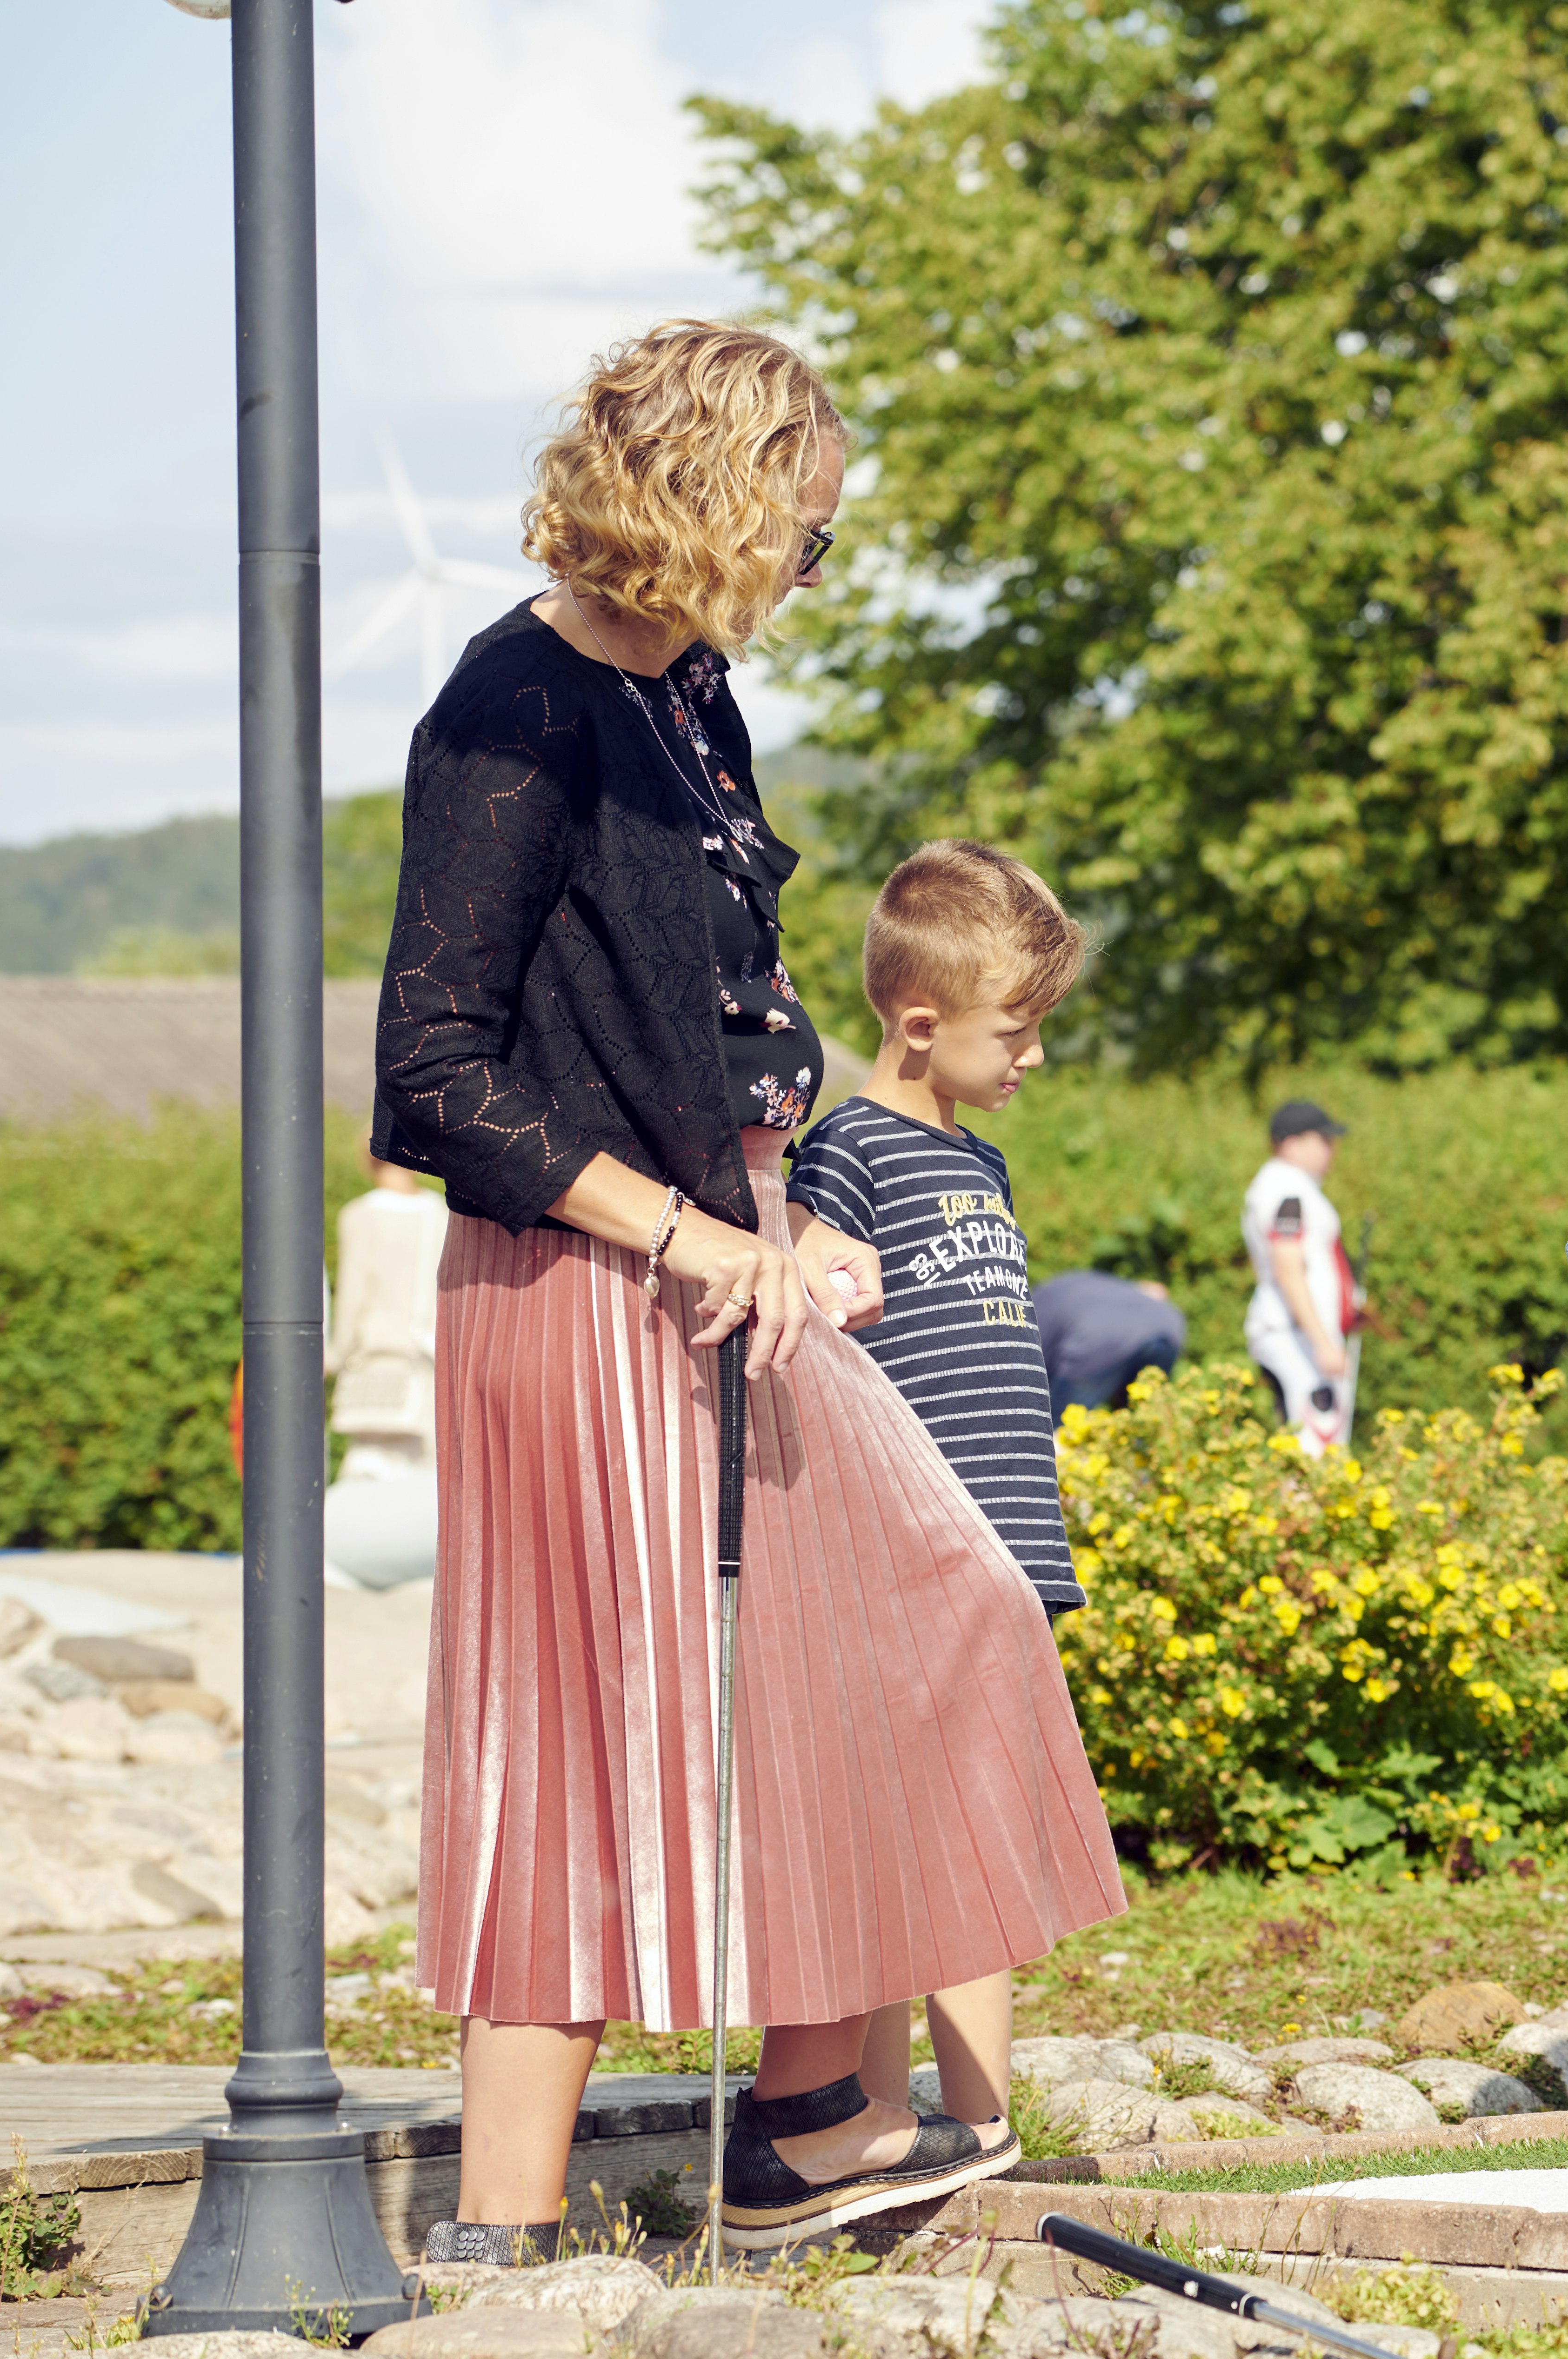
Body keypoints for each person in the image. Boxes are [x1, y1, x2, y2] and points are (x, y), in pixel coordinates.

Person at [375, 321, 1126, 2261]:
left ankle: (802, 2121)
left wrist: (784, 1218)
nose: (815, 571)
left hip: (735, 1282)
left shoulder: (691, 697)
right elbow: (434, 1077)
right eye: (804, 533)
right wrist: (693, 1231)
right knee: (576, 1726)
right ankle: (507, 2235)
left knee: (931, 1617)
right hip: (571, 1286)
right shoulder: (511, 707)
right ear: (705, 499)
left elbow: (723, 1010)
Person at [784, 838, 1097, 2152]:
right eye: (1013, 1031)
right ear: (921, 1025)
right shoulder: (848, 1148)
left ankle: (977, 2124)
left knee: (979, 1849)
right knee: (898, 1849)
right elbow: (809, 1299)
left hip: (1002, 1547)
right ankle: (860, 2113)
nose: (1032, 1056)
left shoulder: (981, 1161)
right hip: (907, 1554)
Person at [326, 1157, 449, 1591]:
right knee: (426, 1480)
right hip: (431, 1363)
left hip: (378, 1361)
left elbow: (355, 1292)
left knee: (367, 1474)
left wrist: (337, 1355)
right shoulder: (440, 1212)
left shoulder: (360, 1215)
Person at [1243, 1100, 1359, 1453]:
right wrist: (1323, 1341)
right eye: (1323, 1139)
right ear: (1292, 1143)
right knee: (1314, 1449)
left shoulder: (1284, 1187)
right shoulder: (1287, 1189)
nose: (1331, 1149)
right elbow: (1288, 1265)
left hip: (1301, 1334)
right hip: (1300, 1340)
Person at [1034, 1270, 1187, 1415]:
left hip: (1100, 1340)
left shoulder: (1030, 1306)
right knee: (1141, 1421)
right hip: (1169, 1327)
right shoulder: (1110, 1288)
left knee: (1055, 1428)